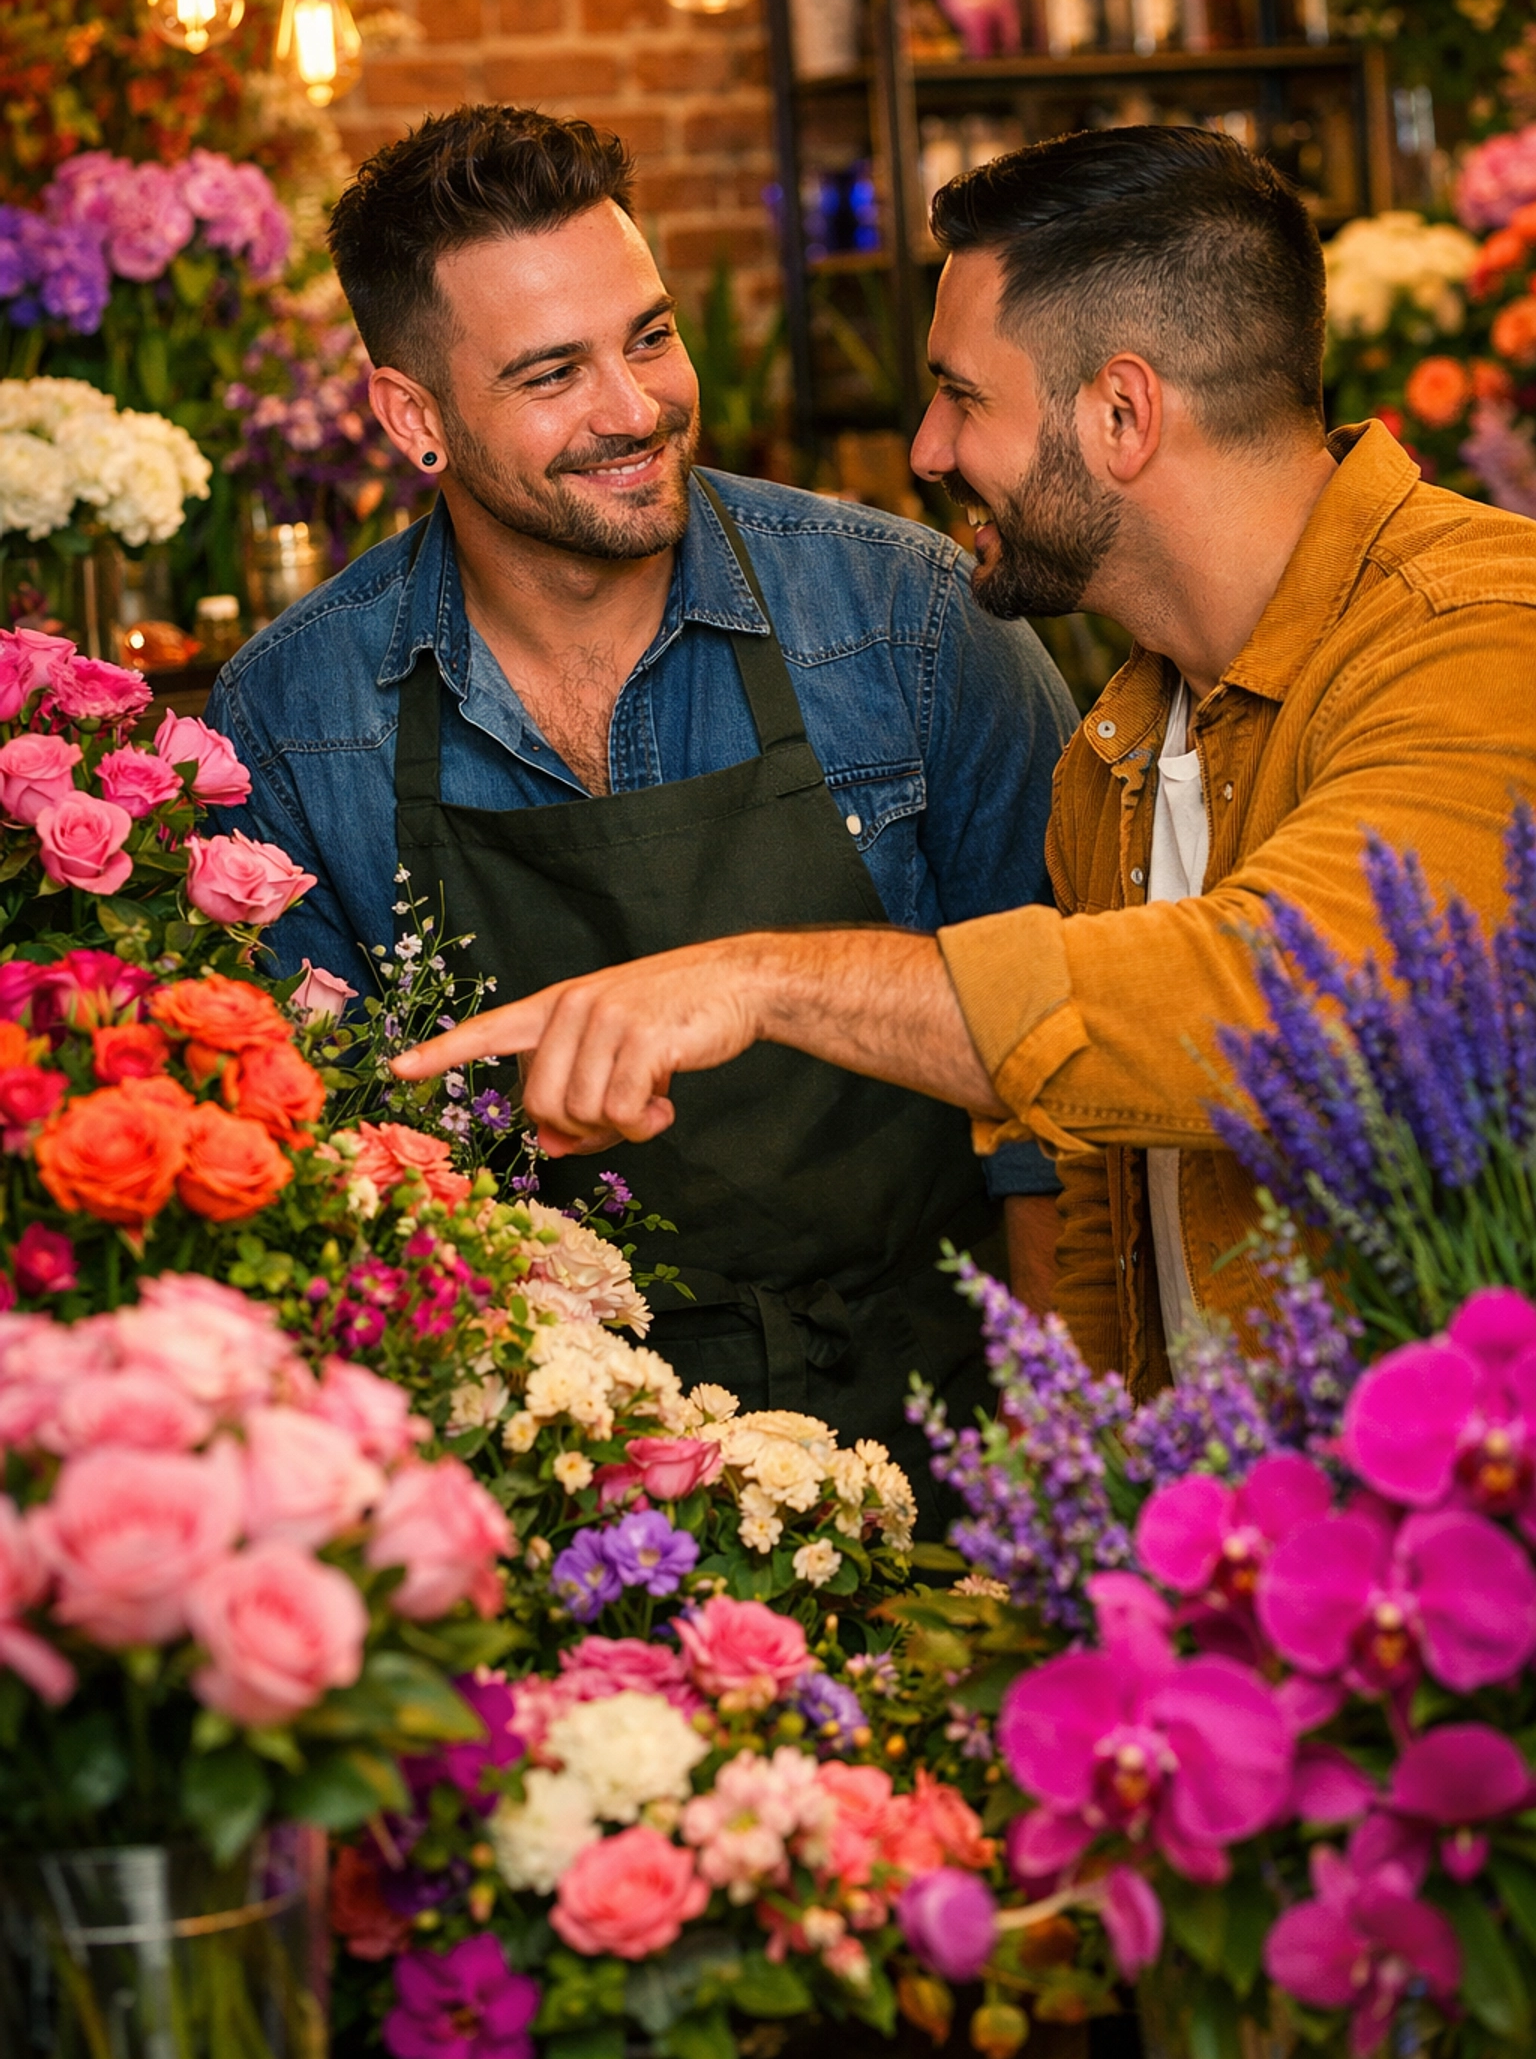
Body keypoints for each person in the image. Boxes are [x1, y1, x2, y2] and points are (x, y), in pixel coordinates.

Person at [394, 123, 1536, 1401]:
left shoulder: (1479, 627)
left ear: (1121, 412)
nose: (928, 451)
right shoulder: (1123, 738)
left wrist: (760, 979)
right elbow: (1096, 1183)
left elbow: (1282, 998)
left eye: (963, 396)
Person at [204, 104, 1075, 1520]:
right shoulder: (296, 722)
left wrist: (1059, 1451)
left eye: (650, 336)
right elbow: (318, 1182)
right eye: (554, 373)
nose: (637, 408)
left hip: (937, 1411)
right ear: (412, 415)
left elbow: (1067, 1056)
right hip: (552, 1476)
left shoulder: (903, 618)